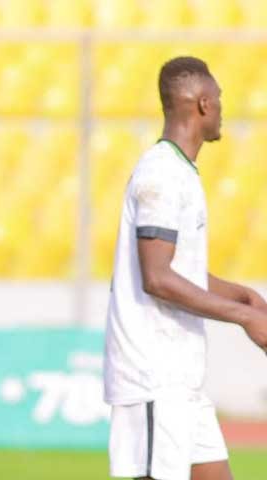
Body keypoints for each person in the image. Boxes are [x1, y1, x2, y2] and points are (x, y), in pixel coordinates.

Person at [103, 55, 267, 480]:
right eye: (219, 99)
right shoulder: (161, 174)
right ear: (203, 103)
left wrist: (243, 295)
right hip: (152, 376)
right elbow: (157, 278)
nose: (222, 109)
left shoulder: (181, 172)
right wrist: (244, 316)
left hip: (181, 381)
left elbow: (179, 270)